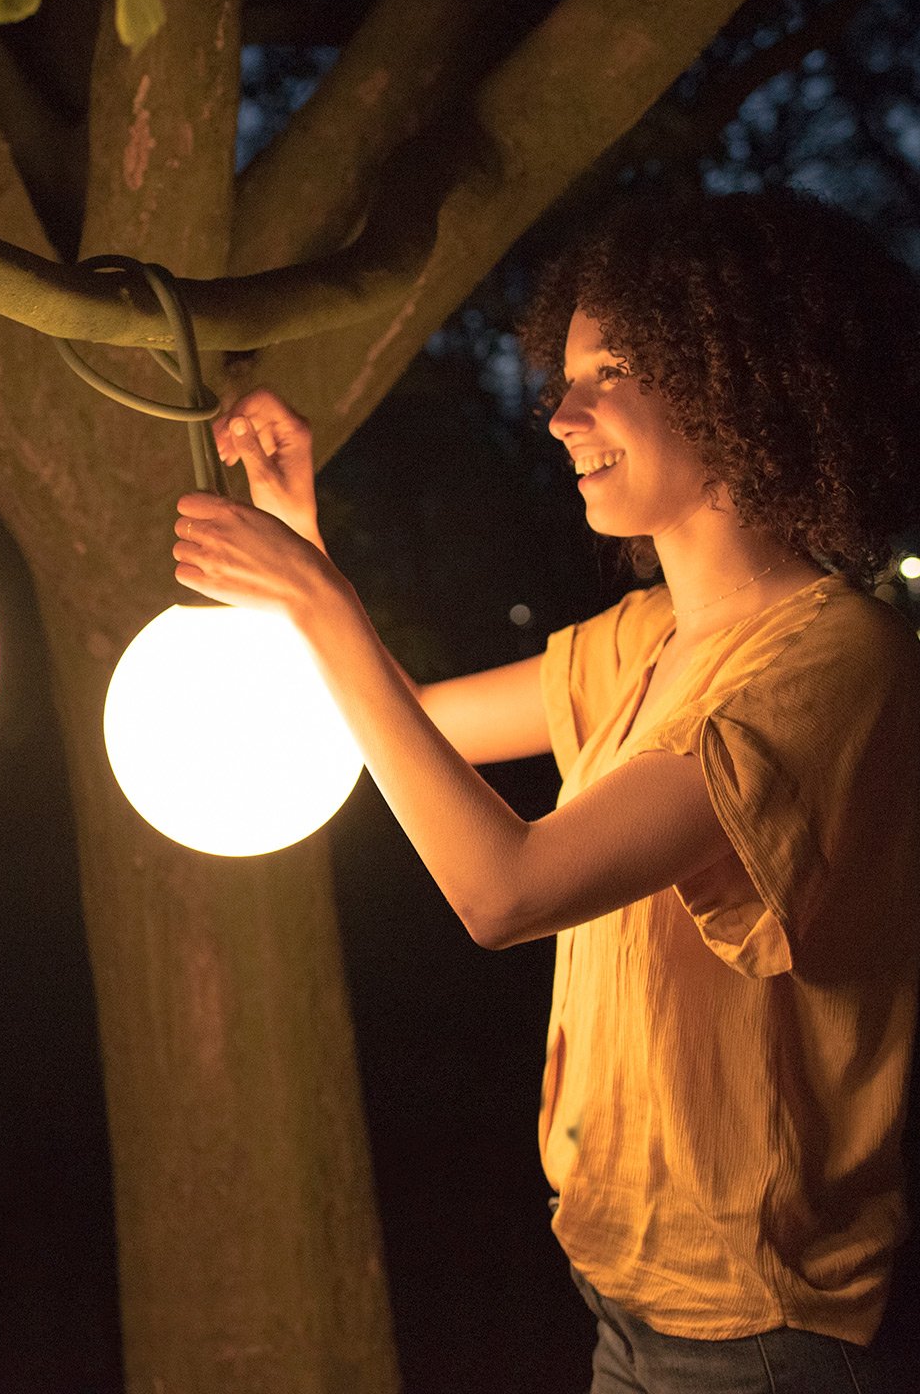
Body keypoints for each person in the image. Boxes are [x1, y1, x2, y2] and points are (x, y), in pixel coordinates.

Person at [173, 188, 920, 1392]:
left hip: (761, 1330)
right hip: (623, 1289)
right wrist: (294, 528)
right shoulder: (640, 639)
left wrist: (319, 598)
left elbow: (503, 891)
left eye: (610, 371)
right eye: (561, 377)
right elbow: (395, 731)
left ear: (742, 375)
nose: (560, 414)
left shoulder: (838, 663)